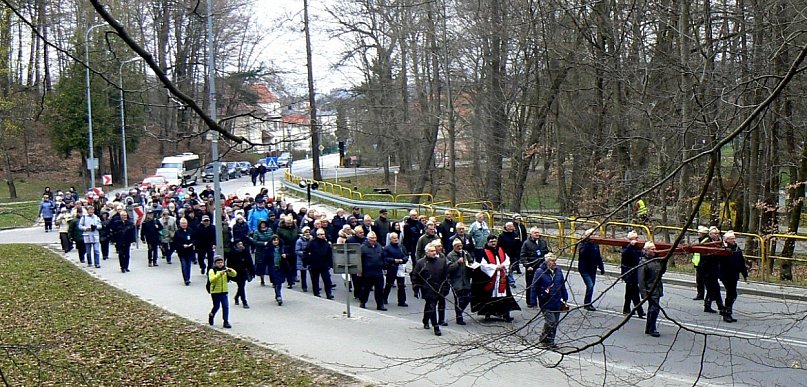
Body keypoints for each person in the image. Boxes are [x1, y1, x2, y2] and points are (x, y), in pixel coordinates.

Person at [471, 235, 521, 321]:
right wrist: (495, 267)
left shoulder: (501, 250)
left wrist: (502, 266)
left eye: (495, 241)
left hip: (502, 277)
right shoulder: (483, 252)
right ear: (488, 242)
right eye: (491, 242)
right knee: (489, 297)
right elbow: (482, 265)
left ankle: (505, 314)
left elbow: (507, 260)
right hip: (491, 278)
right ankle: (488, 313)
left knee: (504, 297)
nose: (493, 243)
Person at [532, 253, 568, 349]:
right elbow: (534, 286)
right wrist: (533, 301)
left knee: (554, 323)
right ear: (547, 262)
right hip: (546, 301)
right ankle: (544, 339)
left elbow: (562, 285)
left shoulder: (558, 271)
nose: (554, 263)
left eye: (555, 261)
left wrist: (565, 296)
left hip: (556, 301)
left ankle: (550, 342)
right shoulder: (540, 272)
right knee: (551, 322)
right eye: (552, 261)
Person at [412, 244, 450, 336]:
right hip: (428, 289)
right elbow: (415, 276)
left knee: (432, 306)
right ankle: (435, 326)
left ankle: (425, 320)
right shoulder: (421, 263)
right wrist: (416, 288)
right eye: (431, 251)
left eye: (434, 251)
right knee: (431, 306)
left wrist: (446, 287)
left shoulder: (441, 262)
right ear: (426, 252)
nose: (434, 253)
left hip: (439, 288)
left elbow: (446, 276)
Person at [720, 231, 748, 323]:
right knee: (731, 293)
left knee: (733, 294)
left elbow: (741, 262)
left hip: (734, 274)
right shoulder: (723, 249)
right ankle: (727, 313)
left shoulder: (737, 249)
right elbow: (719, 263)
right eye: (732, 238)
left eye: (734, 238)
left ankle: (726, 310)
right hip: (726, 274)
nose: (734, 240)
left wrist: (744, 274)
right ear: (727, 240)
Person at [521, 227, 551, 308]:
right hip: (532, 267)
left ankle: (543, 300)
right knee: (531, 284)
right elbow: (523, 256)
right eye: (535, 233)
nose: (537, 234)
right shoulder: (526, 243)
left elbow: (547, 252)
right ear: (531, 234)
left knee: (543, 284)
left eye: (538, 233)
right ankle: (530, 302)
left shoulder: (543, 242)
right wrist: (527, 265)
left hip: (542, 267)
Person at [638, 242, 663, 337]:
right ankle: (652, 328)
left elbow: (662, 271)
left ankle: (649, 328)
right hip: (650, 290)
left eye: (655, 249)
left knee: (653, 309)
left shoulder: (656, 260)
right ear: (646, 250)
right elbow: (641, 280)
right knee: (654, 309)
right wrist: (643, 294)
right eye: (652, 249)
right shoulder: (644, 262)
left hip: (657, 289)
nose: (654, 250)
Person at [446, 239, 473, 325]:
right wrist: (457, 263)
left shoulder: (465, 253)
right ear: (454, 247)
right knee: (459, 300)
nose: (460, 247)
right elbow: (449, 268)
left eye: (461, 245)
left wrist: (471, 265)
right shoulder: (450, 256)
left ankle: (460, 311)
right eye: (458, 246)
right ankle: (459, 317)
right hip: (456, 281)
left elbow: (471, 260)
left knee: (468, 297)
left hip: (466, 280)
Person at [578, 228, 605, 311]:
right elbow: (582, 253)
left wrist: (601, 267)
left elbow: (598, 257)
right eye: (592, 235)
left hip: (592, 269)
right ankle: (587, 303)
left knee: (591, 286)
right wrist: (587, 243)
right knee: (590, 285)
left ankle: (588, 302)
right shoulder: (583, 244)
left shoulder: (595, 245)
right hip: (584, 269)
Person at [304, 228, 335, 299]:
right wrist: (307, 262)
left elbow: (329, 254)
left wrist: (330, 264)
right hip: (314, 264)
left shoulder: (326, 243)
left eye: (323, 234)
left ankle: (329, 293)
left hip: (324, 264)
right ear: (317, 235)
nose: (322, 236)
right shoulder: (312, 242)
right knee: (315, 280)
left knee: (327, 279)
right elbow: (306, 252)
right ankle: (316, 293)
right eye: (320, 234)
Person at [620, 231, 645, 318]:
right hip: (629, 273)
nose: (638, 239)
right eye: (636, 238)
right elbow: (625, 254)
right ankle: (639, 311)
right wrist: (630, 245)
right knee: (634, 292)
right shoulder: (627, 248)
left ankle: (627, 309)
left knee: (630, 293)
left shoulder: (637, 248)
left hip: (635, 273)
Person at [359, 232, 386, 310]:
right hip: (368, 272)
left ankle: (380, 305)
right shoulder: (363, 247)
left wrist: (384, 268)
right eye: (372, 238)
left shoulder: (379, 246)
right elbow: (359, 259)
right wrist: (359, 271)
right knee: (366, 289)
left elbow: (383, 257)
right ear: (368, 239)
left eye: (375, 238)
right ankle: (363, 302)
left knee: (379, 289)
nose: (374, 240)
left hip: (378, 272)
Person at [208, 255, 237, 328]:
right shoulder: (212, 270)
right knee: (216, 306)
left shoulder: (225, 269)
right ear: (215, 263)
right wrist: (219, 274)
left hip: (224, 291)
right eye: (218, 263)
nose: (220, 264)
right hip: (215, 292)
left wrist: (230, 270)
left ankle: (226, 321)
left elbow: (234, 274)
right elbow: (212, 279)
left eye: (221, 262)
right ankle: (212, 315)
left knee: (225, 306)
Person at [702, 227, 725, 314]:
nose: (716, 235)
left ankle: (710, 305)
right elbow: (703, 255)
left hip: (715, 269)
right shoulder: (707, 242)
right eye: (714, 233)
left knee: (713, 289)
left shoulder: (719, 242)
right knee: (713, 288)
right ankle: (719, 306)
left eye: (717, 233)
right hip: (707, 270)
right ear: (710, 234)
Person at [382, 232, 408, 306]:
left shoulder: (401, 247)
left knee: (401, 285)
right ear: (390, 239)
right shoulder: (387, 248)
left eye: (396, 238)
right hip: (392, 267)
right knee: (389, 284)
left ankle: (402, 301)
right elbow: (385, 258)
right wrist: (394, 260)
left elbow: (406, 255)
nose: (396, 239)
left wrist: (403, 260)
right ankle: (384, 298)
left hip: (400, 268)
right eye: (394, 238)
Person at [228, 240, 255, 309]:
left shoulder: (246, 252)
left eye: (241, 244)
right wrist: (229, 274)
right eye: (239, 244)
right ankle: (244, 302)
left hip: (244, 272)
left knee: (241, 286)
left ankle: (237, 297)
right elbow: (229, 264)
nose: (240, 245)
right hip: (236, 273)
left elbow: (250, 262)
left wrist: (252, 271)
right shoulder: (232, 253)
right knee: (241, 286)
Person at [267, 235, 289, 305]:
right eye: (274, 240)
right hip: (273, 268)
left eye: (277, 240)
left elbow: (291, 254)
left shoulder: (282, 248)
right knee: (276, 282)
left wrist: (286, 255)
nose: (276, 241)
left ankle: (278, 295)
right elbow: (265, 259)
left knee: (279, 282)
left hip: (281, 267)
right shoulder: (268, 249)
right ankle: (278, 295)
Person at [497, 222, 521, 288]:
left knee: (511, 268)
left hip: (514, 254)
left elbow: (518, 244)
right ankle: (511, 281)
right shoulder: (502, 236)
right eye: (509, 226)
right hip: (505, 255)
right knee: (508, 268)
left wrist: (518, 253)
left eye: (512, 226)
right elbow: (499, 246)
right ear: (506, 227)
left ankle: (508, 280)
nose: (511, 228)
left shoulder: (516, 235)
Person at [173, 217, 195, 285]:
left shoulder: (190, 230)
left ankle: (188, 277)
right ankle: (186, 279)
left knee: (188, 265)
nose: (184, 225)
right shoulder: (177, 232)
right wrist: (182, 245)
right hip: (181, 251)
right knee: (184, 265)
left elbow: (194, 239)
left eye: (185, 223)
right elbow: (175, 242)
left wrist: (192, 243)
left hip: (189, 250)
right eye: (182, 223)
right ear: (180, 224)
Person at [251, 220, 274, 286]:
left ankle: (273, 281)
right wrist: (263, 243)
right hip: (260, 251)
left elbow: (273, 238)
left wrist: (270, 243)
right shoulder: (256, 231)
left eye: (264, 223)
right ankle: (262, 280)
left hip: (269, 250)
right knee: (261, 266)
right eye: (262, 224)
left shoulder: (269, 230)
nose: (263, 225)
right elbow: (255, 241)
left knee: (271, 266)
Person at [691, 226, 710, 300]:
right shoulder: (702, 240)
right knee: (699, 280)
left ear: (703, 233)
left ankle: (704, 295)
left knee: (704, 281)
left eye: (699, 233)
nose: (698, 234)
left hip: (702, 264)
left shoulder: (706, 241)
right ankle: (700, 294)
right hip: (699, 263)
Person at [295, 227, 312, 292]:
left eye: (308, 232)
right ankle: (304, 286)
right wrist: (305, 254)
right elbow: (297, 251)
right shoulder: (299, 241)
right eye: (306, 232)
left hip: (310, 258)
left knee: (312, 273)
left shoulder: (311, 239)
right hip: (303, 259)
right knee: (303, 273)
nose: (308, 233)